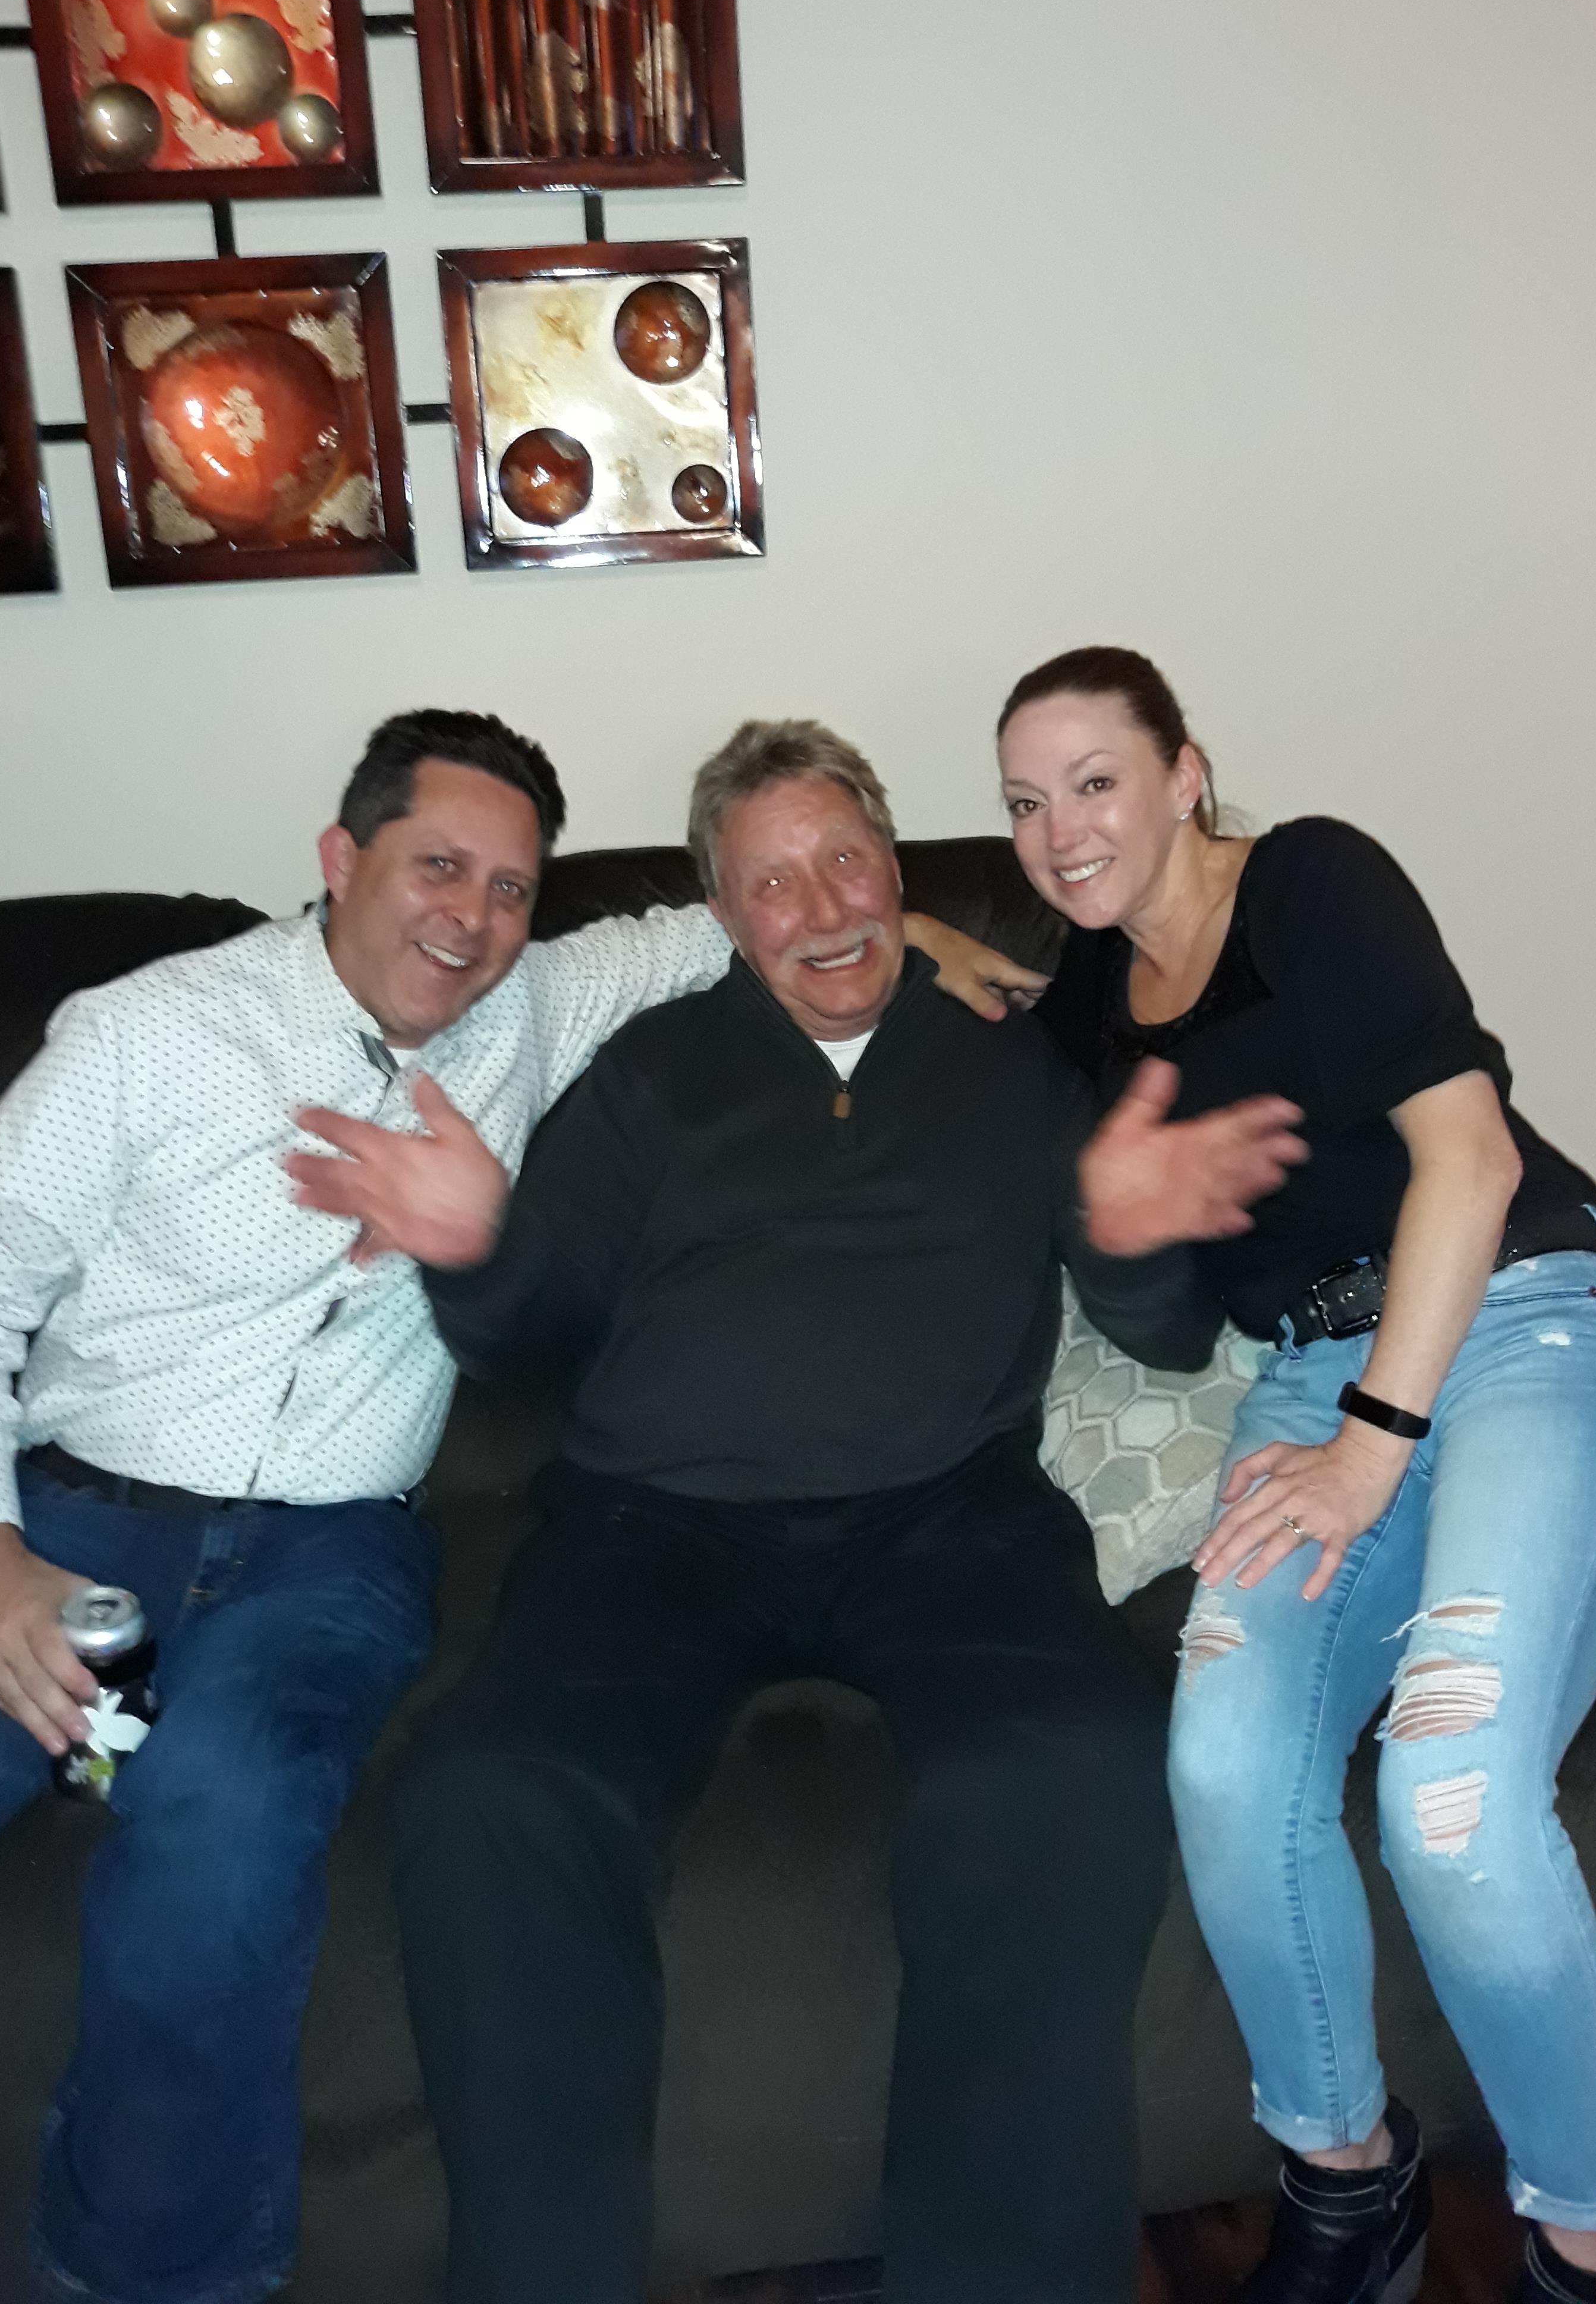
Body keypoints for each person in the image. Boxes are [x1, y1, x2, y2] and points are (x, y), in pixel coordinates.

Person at [0, 704, 1040, 2304]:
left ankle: (139, 2286)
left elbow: (702, 927)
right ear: (340, 860)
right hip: (74, 1532)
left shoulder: (534, 1002)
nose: (473, 919)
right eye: (438, 867)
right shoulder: (148, 1031)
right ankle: (84, 1728)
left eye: (514, 889)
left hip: (326, 1560)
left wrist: (920, 915)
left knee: (217, 1823)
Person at [291, 717, 1305, 2304]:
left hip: (949, 1520)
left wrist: (1127, 1246)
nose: (823, 906)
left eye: (848, 860)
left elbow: (1169, 1329)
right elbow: (532, 1335)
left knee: (1076, 1763)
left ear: (897, 870)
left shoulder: (1024, 1059)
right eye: (772, 884)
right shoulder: (650, 1077)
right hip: (654, 1529)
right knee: (493, 1799)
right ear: (722, 914)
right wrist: (474, 1252)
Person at [996, 647, 1596, 2304]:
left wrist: (1371, 1454)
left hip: (1522, 1321)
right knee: (1228, 1757)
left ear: (1185, 772)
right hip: (1312, 1369)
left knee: (1449, 1800)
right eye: (1022, 803)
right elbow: (1156, 1322)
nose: (1061, 830)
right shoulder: (1087, 1009)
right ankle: (1342, 2176)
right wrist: (1121, 1223)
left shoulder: (1312, 881)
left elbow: (1475, 1155)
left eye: (1096, 780)